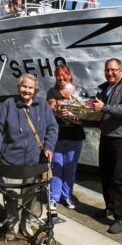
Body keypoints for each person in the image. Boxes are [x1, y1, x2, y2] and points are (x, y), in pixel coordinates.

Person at [0, 73, 58, 240]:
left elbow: (52, 127)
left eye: (30, 87)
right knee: (11, 195)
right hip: (11, 161)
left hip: (34, 161)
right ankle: (12, 227)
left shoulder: (42, 105)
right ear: (19, 87)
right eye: (24, 87)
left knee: (31, 194)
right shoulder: (9, 104)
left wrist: (48, 147)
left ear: (35, 90)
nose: (27, 90)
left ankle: (26, 224)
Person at [93, 58, 122, 234]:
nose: (110, 73)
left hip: (121, 138)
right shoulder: (105, 88)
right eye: (107, 70)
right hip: (106, 136)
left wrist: (104, 108)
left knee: (119, 178)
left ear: (120, 70)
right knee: (105, 174)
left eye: (113, 70)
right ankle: (109, 207)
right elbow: (98, 110)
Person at [46, 64, 88, 210]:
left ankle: (67, 196)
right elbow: (50, 105)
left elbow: (85, 110)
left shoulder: (80, 91)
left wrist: (80, 118)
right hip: (58, 135)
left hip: (75, 135)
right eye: (58, 75)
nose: (61, 78)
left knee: (70, 167)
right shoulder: (52, 92)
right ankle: (54, 197)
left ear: (69, 75)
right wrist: (58, 107)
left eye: (64, 74)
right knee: (57, 167)